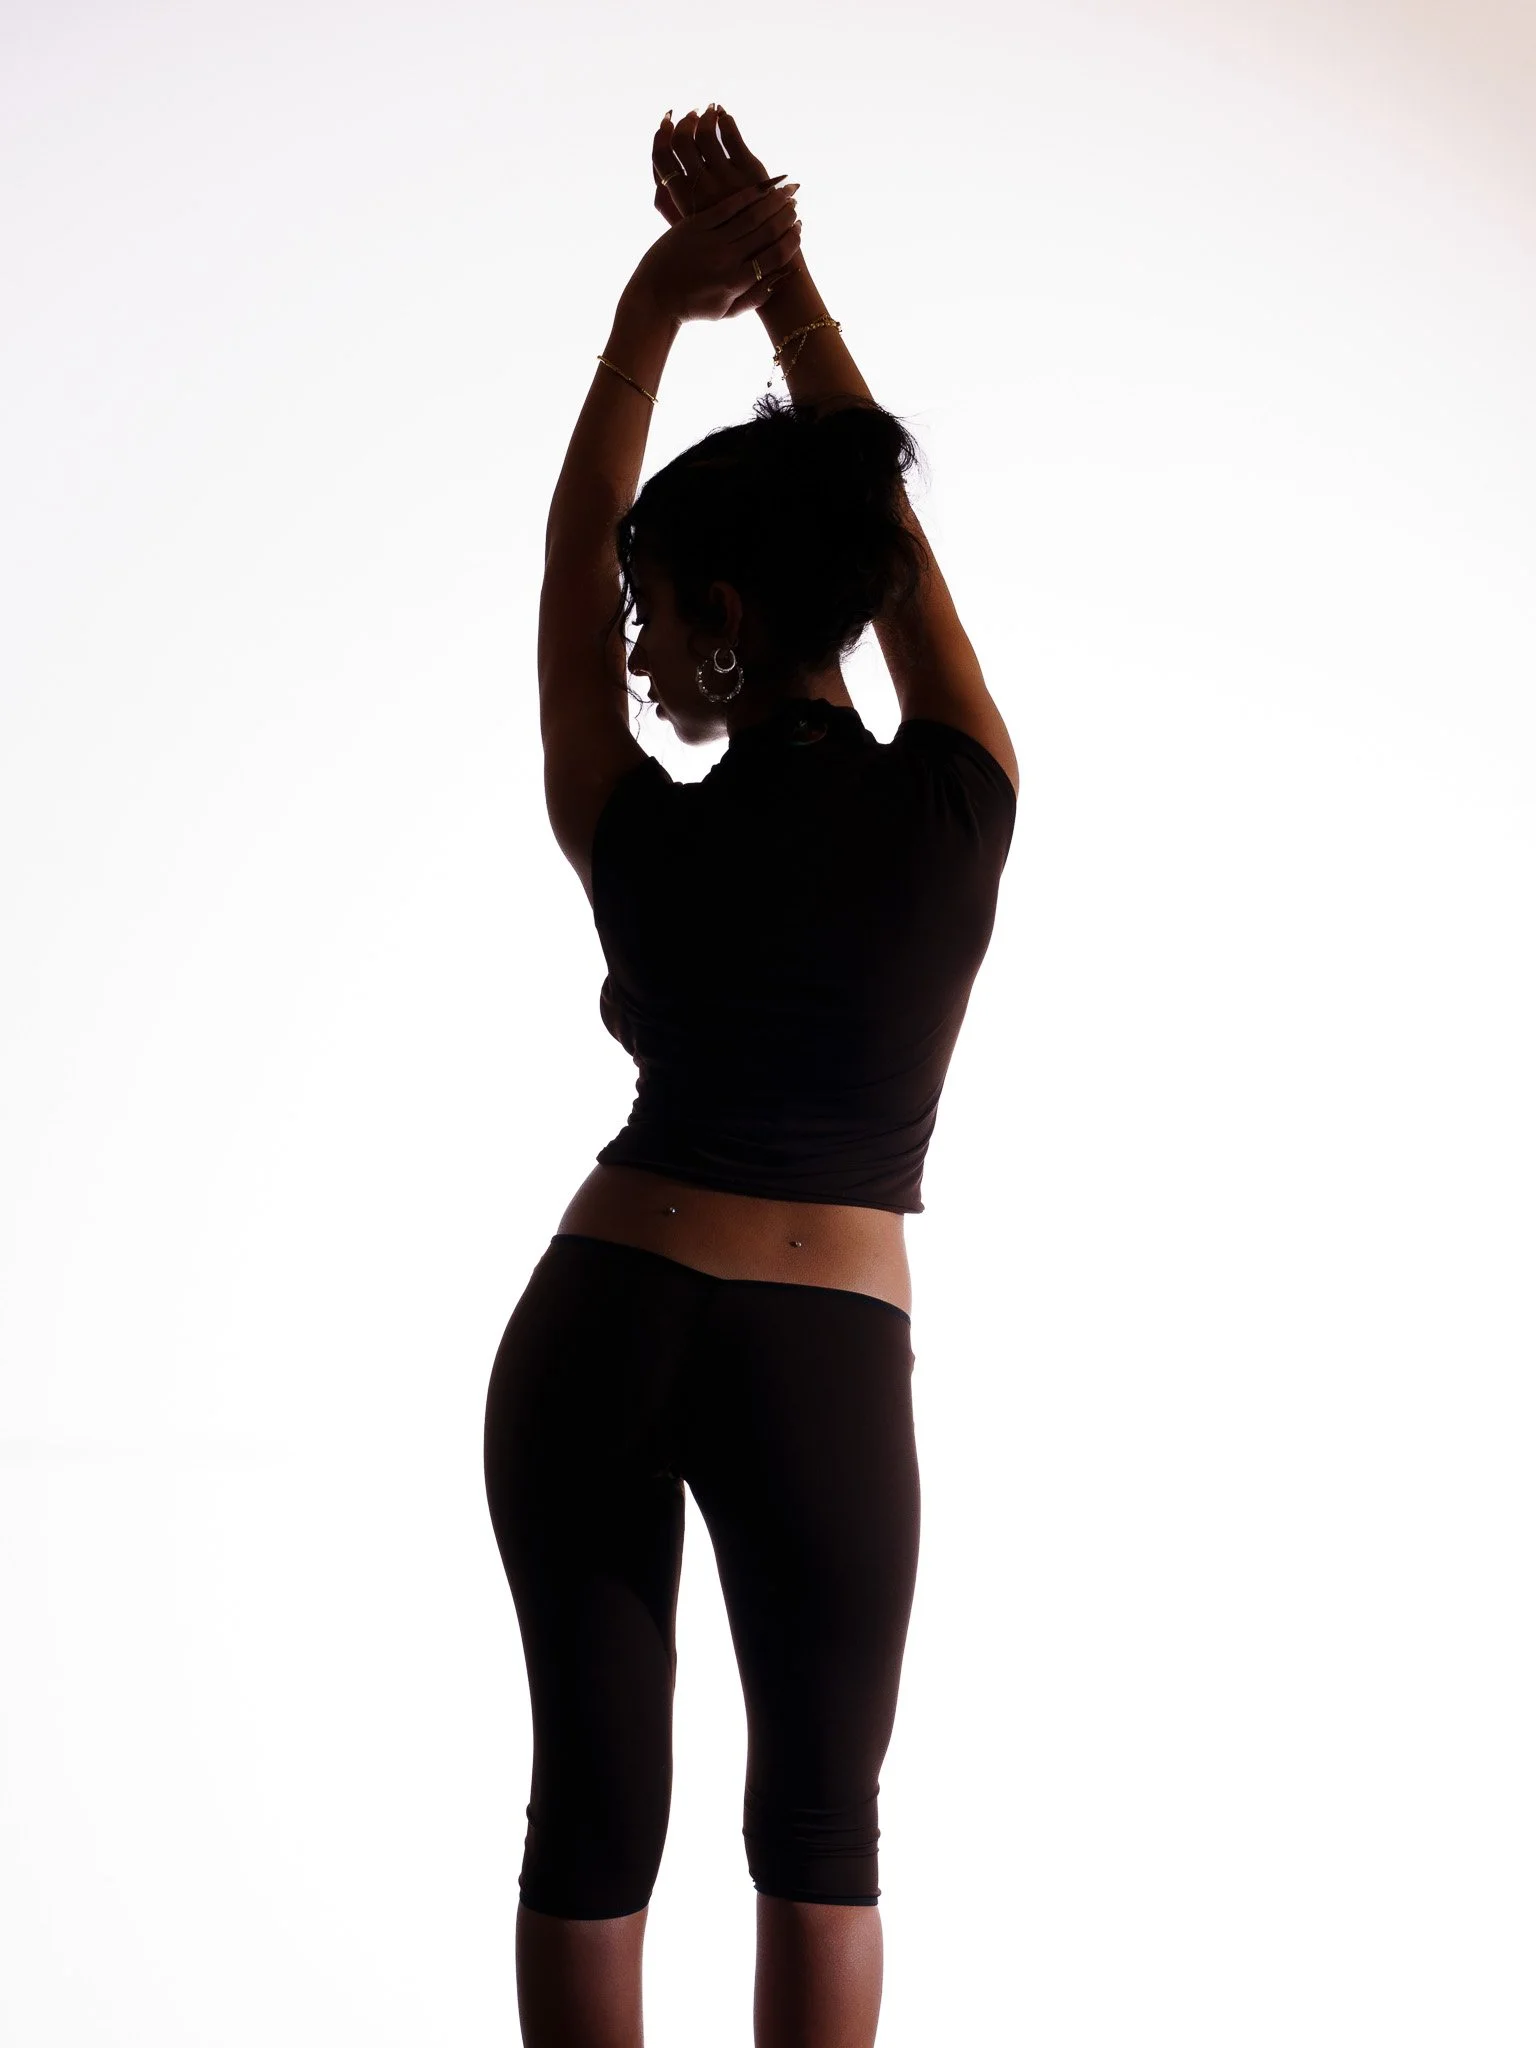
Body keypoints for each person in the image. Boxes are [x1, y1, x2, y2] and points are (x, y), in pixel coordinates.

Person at [484, 104, 1021, 2048]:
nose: (628, 650)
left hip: (603, 1313)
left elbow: (568, 561)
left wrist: (650, 316)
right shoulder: (966, 795)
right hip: (823, 1351)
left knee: (592, 1825)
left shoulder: (630, 825)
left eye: (656, 616)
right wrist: (781, 294)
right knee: (819, 1829)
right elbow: (890, 556)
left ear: (722, 618)